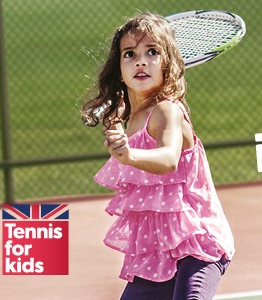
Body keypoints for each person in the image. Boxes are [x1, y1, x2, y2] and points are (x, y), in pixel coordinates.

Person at [82, 12, 235, 300]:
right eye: (130, 54)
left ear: (167, 64)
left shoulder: (167, 111)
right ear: (119, 70)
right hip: (158, 251)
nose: (141, 60)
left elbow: (168, 158)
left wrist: (129, 155)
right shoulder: (130, 118)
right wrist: (118, 130)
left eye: (152, 52)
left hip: (198, 243)